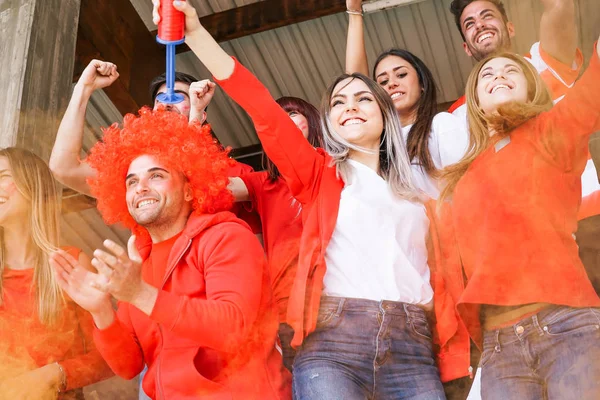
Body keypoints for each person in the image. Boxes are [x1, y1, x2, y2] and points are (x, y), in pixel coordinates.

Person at [154, 1, 449, 398]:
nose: (350, 107)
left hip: (412, 347)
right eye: (339, 102)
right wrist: (195, 33)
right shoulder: (320, 174)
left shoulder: (419, 186)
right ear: (330, 122)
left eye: (362, 98)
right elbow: (258, 104)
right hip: (334, 345)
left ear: (385, 114)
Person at [50, 108, 291, 399]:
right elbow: (129, 366)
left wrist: (139, 293)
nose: (141, 187)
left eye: (156, 175)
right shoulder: (140, 261)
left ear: (190, 190)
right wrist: (101, 312)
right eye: (131, 181)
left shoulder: (226, 236)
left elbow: (233, 327)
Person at [438, 34, 600, 400]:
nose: (498, 74)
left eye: (512, 69)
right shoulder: (459, 178)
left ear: (532, 88)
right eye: (487, 74)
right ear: (475, 101)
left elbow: (592, 92)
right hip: (498, 346)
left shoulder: (550, 132)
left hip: (568, 323)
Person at [49, 60, 261, 234]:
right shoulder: (136, 175)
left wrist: (194, 118)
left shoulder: (237, 172)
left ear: (202, 112)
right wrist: (83, 89)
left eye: (179, 97)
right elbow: (63, 168)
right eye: (161, 99)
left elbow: (193, 184)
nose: (167, 103)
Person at [0, 147, 112, 399]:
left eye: (2, 176)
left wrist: (52, 375)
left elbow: (112, 357)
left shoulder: (71, 264)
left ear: (32, 185)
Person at [228, 96, 323, 370]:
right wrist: (196, 114)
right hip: (290, 311)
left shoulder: (340, 170)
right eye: (274, 120)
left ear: (313, 122)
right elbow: (204, 186)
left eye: (291, 114)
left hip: (348, 300)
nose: (281, 123)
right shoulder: (262, 184)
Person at [345, 0, 468, 199]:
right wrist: (354, 12)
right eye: (383, 81)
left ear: (422, 84)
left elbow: (468, 187)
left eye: (401, 75)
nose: (392, 83)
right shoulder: (381, 146)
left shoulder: (442, 125)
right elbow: (354, 85)